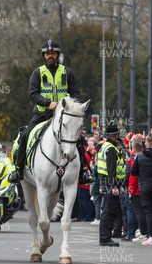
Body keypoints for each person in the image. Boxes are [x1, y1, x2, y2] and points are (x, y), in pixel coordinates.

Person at [9, 40, 95, 185]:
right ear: (44, 55)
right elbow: (33, 94)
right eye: (48, 53)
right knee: (25, 135)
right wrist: (48, 104)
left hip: (64, 115)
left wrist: (69, 104)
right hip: (43, 113)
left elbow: (75, 93)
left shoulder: (67, 72)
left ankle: (83, 172)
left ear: (57, 55)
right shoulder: (38, 73)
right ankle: (18, 170)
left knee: (79, 140)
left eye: (53, 53)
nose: (51, 56)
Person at [97, 121, 127, 247]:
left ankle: (105, 237)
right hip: (111, 183)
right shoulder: (111, 149)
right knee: (109, 212)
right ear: (115, 135)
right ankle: (105, 238)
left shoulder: (105, 146)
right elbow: (111, 170)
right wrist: (114, 186)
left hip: (106, 181)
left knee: (108, 211)